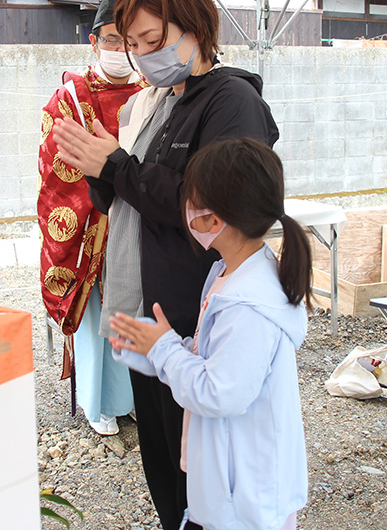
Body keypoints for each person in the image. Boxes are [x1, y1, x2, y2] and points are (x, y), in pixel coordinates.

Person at [53, 0, 279, 530]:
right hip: (144, 304)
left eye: (153, 41)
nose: (143, 56)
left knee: (197, 466)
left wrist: (119, 166)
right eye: (132, 45)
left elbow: (206, 208)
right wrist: (100, 167)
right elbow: (124, 200)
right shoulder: (153, 102)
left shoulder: (229, 102)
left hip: (191, 314)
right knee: (159, 456)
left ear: (195, 28)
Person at [109, 137, 310, 530]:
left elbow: (219, 391)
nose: (184, 209)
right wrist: (152, 347)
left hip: (245, 498)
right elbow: (209, 358)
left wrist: (165, 349)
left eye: (189, 199)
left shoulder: (247, 305)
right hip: (233, 481)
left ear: (213, 220)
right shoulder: (228, 273)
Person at [37, 0, 145, 436]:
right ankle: (96, 402)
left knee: (135, 311)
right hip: (88, 228)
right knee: (97, 313)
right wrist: (98, 197)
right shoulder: (70, 99)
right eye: (113, 39)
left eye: (129, 41)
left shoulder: (150, 92)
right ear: (94, 39)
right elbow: (54, 164)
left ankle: (134, 397)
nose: (120, 50)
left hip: (137, 221)